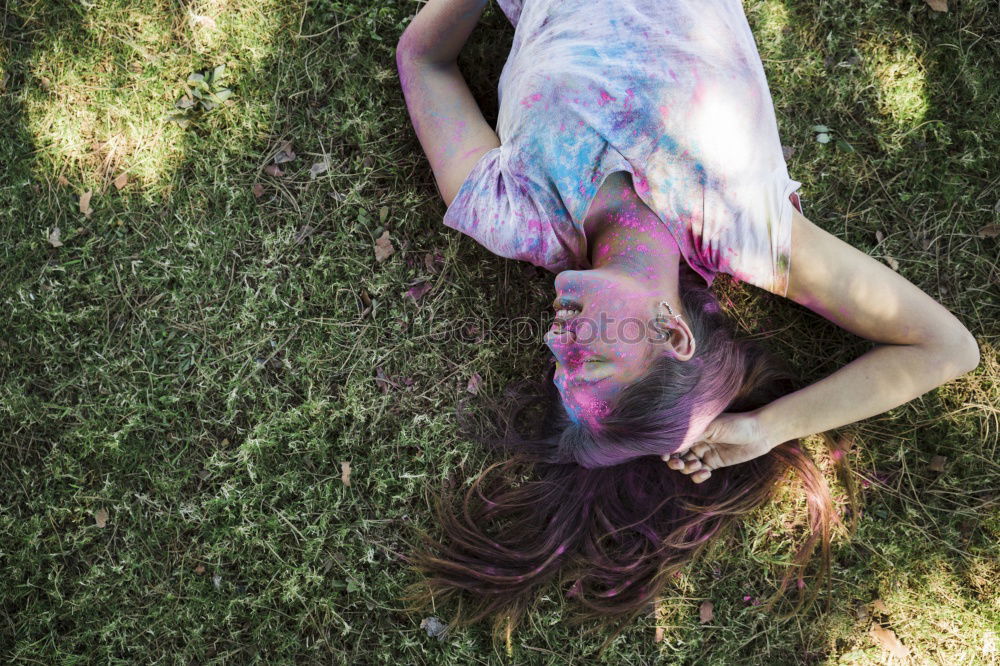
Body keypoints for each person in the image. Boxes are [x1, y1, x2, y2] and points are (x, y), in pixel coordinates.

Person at [394, 0, 980, 650]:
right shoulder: (747, 229)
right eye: (588, 360)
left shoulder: (516, 213)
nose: (555, 341)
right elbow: (945, 348)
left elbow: (423, 60)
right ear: (673, 334)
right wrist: (765, 428)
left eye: (558, 369)